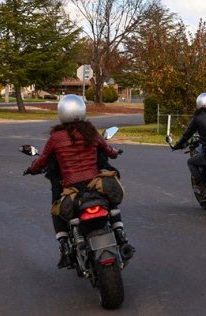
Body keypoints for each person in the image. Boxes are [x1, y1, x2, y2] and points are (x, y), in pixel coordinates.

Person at [25, 94, 132, 268]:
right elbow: (108, 150)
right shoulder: (91, 131)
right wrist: (116, 152)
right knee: (110, 200)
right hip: (95, 183)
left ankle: (65, 247)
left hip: (72, 189)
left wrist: (32, 169)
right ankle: (120, 233)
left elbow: (42, 161)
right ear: (82, 110)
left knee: (56, 210)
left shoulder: (56, 137)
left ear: (62, 113)